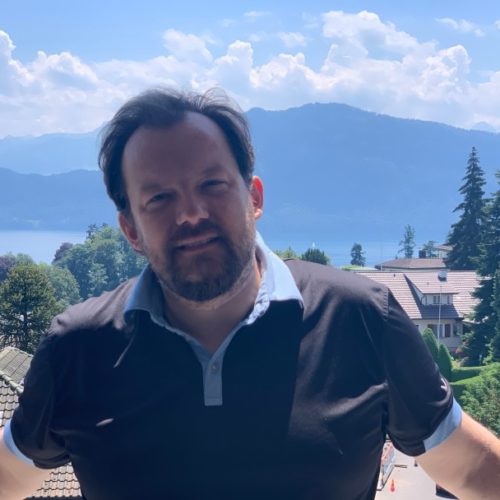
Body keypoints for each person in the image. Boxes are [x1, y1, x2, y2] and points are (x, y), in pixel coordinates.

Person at [1, 88, 499, 500]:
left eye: (212, 184)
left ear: (254, 197)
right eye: (159, 197)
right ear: (130, 228)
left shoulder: (361, 319)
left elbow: (472, 468)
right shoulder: (77, 349)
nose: (191, 213)